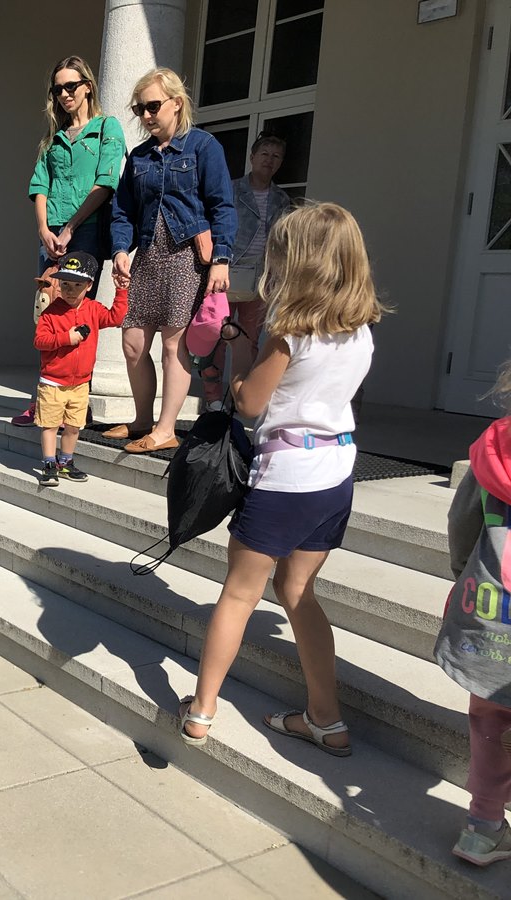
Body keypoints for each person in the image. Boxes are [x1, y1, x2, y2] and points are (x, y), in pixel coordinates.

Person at [176, 202, 386, 759]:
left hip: (286, 474)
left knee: (239, 593)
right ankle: (326, 719)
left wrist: (237, 363)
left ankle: (201, 710)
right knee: (298, 593)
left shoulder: (289, 332)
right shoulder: (361, 332)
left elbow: (249, 402)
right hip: (335, 473)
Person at [106, 67, 236, 453]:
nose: (146, 115)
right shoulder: (139, 157)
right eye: (139, 108)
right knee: (132, 342)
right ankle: (141, 420)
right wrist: (120, 250)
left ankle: (165, 429)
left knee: (172, 345)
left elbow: (222, 206)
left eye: (152, 106)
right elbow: (123, 211)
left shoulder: (203, 147)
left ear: (176, 103)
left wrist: (221, 259)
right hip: (148, 256)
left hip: (186, 258)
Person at [12, 54, 126, 428]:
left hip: (86, 230)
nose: (64, 94)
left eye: (71, 86)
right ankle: (44, 399)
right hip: (52, 234)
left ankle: (77, 403)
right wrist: (43, 229)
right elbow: (39, 185)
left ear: (87, 87)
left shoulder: (107, 128)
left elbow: (106, 182)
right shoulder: (53, 138)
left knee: (78, 313)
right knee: (47, 311)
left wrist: (71, 227)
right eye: (58, 88)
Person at [434, 360, 511, 867]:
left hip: (490, 617)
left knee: (489, 720)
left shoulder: (496, 449)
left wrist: (464, 571)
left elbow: (463, 524)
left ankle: (483, 828)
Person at [202, 133, 292, 412]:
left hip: (261, 278)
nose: (269, 160)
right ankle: (212, 397)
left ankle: (240, 396)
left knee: (250, 340)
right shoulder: (230, 189)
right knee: (217, 335)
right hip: (227, 271)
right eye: (265, 154)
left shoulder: (282, 199)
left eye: (276, 156)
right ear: (252, 157)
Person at [33, 251, 128, 485]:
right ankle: (49, 464)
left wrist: (121, 291)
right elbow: (40, 341)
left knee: (74, 427)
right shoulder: (50, 313)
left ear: (89, 285)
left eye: (77, 285)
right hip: (53, 382)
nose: (70, 290)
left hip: (80, 384)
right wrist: (66, 338)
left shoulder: (93, 309)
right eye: (65, 284)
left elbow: (115, 318)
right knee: (50, 426)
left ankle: (65, 462)